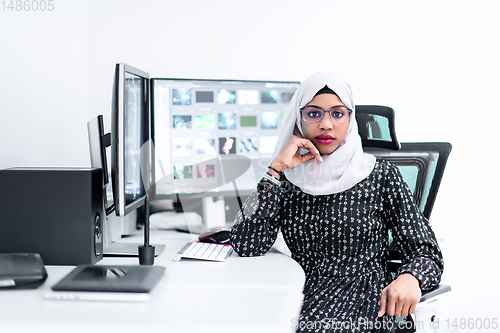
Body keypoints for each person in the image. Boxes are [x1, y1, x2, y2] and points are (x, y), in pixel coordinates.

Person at [229, 72, 443, 332]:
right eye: (314, 113)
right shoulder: (286, 180)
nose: (326, 124)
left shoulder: (380, 175)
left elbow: (426, 251)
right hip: (299, 294)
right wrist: (276, 169)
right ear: (299, 119)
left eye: (338, 113)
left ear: (351, 119)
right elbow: (246, 244)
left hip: (363, 301)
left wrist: (411, 277)